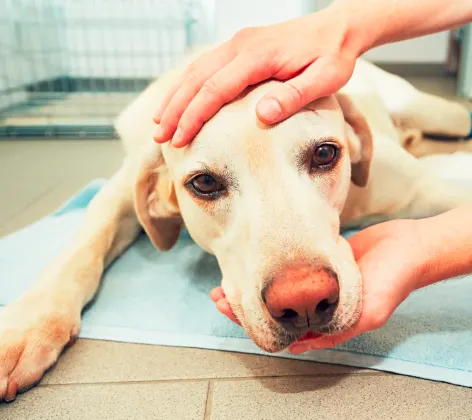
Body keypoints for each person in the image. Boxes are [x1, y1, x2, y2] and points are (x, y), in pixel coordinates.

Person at [153, 0, 472, 351]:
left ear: (356, 144)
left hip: (375, 95)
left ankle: (425, 133)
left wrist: (345, 26)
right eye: (209, 184)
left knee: (454, 121)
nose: (301, 293)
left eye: (322, 156)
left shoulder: (364, 144)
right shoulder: (162, 154)